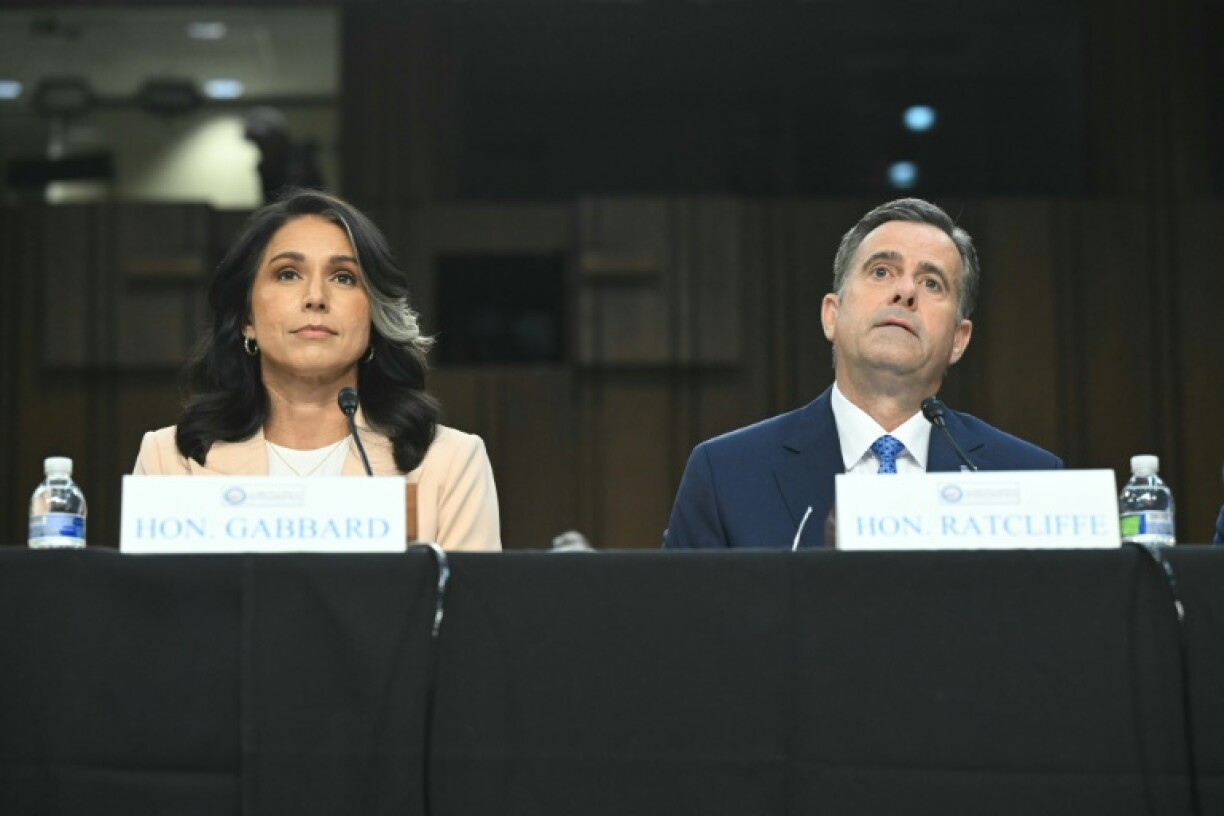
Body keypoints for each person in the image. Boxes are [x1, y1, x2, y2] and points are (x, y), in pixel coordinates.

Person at [663, 198, 1061, 550]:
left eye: (931, 282)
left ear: (959, 339)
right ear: (831, 316)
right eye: (882, 272)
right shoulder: (727, 475)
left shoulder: (1030, 479)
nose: (905, 292)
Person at [133, 188, 500, 551]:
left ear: (373, 317)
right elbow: (151, 608)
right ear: (247, 319)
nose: (315, 297)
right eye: (288, 274)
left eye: (343, 277)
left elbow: (468, 610)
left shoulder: (448, 463)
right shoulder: (171, 459)